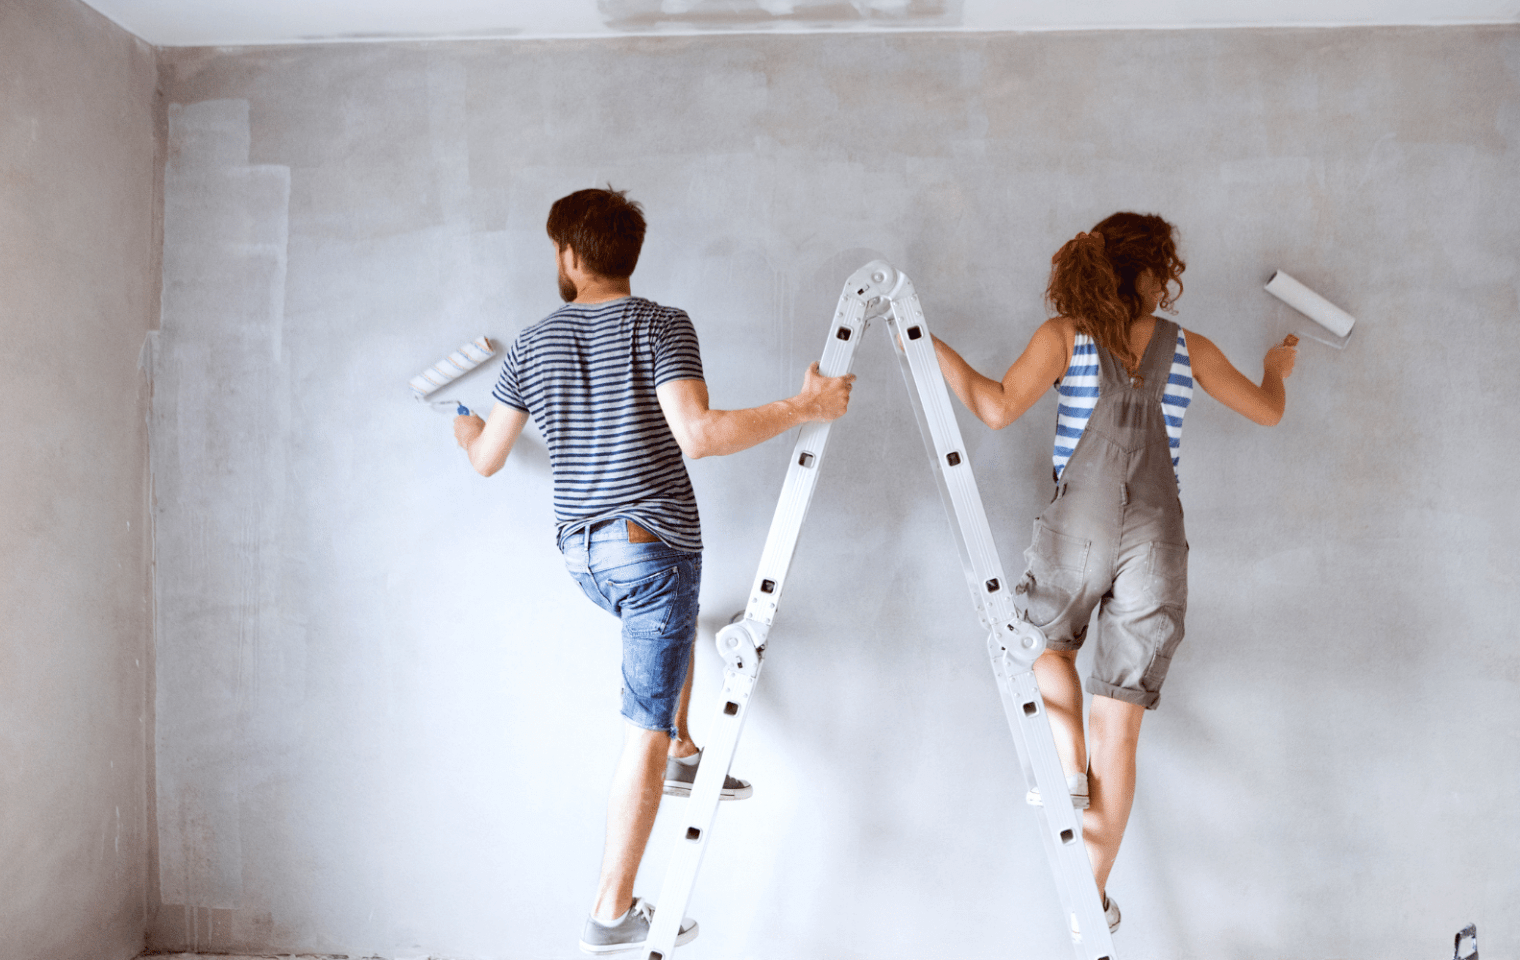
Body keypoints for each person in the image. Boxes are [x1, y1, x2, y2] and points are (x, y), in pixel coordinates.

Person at [452, 187, 855, 954]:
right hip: (649, 548)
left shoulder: (533, 344)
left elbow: (487, 461)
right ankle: (611, 908)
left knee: (668, 648)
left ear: (570, 256)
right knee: (641, 718)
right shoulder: (659, 325)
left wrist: (468, 429)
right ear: (625, 254)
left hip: (583, 555)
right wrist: (806, 406)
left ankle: (683, 748)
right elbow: (698, 436)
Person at [930, 212, 1298, 934]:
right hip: (1157, 542)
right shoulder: (1188, 348)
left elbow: (995, 408)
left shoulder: (1065, 337)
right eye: (1165, 269)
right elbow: (1267, 413)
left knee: (1043, 643)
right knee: (1120, 735)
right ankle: (1087, 904)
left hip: (1080, 531)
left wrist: (929, 346)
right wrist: (1276, 373)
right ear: (1145, 274)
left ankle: (1066, 765)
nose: (1170, 282)